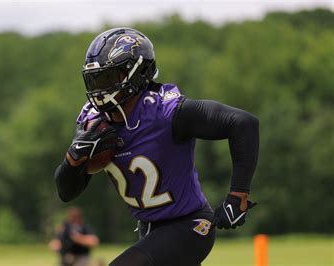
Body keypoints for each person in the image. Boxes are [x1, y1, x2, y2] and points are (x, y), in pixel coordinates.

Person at [53, 28, 259, 266]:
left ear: (136, 72)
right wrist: (74, 158)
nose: (101, 89)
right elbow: (66, 192)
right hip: (149, 231)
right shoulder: (96, 120)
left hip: (189, 225)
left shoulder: (166, 112)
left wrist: (238, 195)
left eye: (108, 78)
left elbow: (243, 123)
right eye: (96, 79)